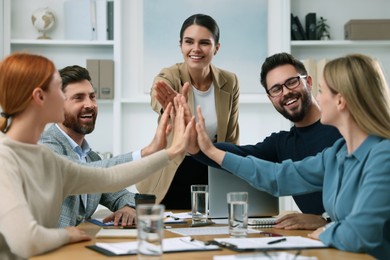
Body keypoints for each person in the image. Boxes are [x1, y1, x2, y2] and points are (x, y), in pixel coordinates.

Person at [194, 53, 390, 259]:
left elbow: (361, 233)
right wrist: (210, 151)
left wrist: (327, 227)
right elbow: (278, 176)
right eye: (277, 88)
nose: (319, 98)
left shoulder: (383, 155)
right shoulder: (338, 153)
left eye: (322, 91)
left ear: (340, 100)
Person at [0, 52, 192, 260]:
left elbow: (109, 178)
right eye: (59, 90)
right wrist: (66, 234)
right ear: (40, 97)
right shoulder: (5, 158)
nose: (90, 104)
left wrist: (170, 151)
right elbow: (26, 242)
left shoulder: (44, 157)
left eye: (92, 96)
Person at [191, 52, 341, 229]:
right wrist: (193, 146)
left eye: (292, 82)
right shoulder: (281, 143)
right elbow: (242, 156)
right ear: (271, 98)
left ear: (308, 82)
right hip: (314, 240)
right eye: (276, 89)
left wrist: (326, 221)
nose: (286, 92)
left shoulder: (343, 130)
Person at [39, 65, 167, 228]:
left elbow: (121, 195)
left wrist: (128, 208)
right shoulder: (44, 147)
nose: (89, 104)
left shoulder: (91, 157)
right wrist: (146, 152)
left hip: (75, 248)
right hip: (45, 251)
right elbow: (82, 173)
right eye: (78, 98)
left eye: (92, 97)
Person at [136, 13, 240, 208]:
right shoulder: (170, 75)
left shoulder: (230, 81)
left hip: (212, 170)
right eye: (189, 42)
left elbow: (232, 137)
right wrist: (167, 105)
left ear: (216, 48)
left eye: (204, 43)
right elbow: (157, 92)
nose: (195, 49)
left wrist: (233, 174)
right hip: (172, 172)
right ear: (181, 45)